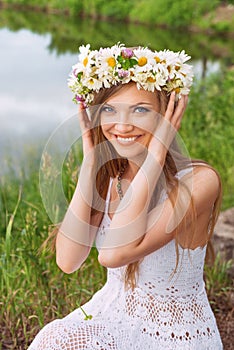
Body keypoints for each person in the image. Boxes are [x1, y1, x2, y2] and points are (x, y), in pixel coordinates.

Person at [29, 43, 223, 349]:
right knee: (53, 338)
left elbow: (112, 254)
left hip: (172, 333)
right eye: (109, 109)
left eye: (141, 110)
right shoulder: (111, 177)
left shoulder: (199, 182)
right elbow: (68, 261)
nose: (121, 126)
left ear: (168, 113)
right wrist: (91, 162)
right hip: (111, 313)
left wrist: (157, 153)